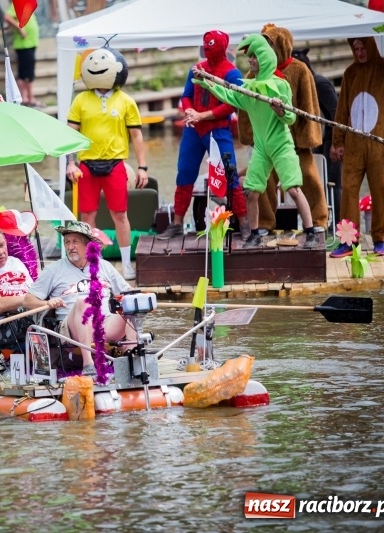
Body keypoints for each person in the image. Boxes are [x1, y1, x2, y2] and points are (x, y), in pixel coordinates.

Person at [193, 34, 321, 249]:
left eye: (254, 56)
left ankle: (310, 232)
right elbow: (230, 96)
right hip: (261, 147)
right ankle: (254, 234)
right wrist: (206, 83)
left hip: (281, 144)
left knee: (293, 189)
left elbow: (291, 117)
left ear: (265, 58)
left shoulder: (280, 86)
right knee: (251, 192)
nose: (250, 60)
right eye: (249, 57)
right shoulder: (249, 88)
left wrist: (280, 110)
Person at [66, 47, 149, 280]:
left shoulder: (126, 101)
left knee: (120, 214)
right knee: (87, 216)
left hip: (115, 164)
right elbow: (70, 134)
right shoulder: (80, 100)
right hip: (87, 166)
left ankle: (126, 263)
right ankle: (92, 264)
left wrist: (142, 167)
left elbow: (137, 136)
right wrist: (70, 163)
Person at [158, 30, 249, 241]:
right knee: (185, 173)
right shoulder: (197, 69)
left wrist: (202, 115)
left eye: (211, 44)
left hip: (217, 130)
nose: (207, 48)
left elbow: (232, 104)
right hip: (194, 129)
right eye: (206, 44)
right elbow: (187, 95)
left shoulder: (232, 73)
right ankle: (177, 223)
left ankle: (244, 223)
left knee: (230, 174)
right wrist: (190, 112)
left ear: (222, 47)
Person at [238, 25, 327, 238]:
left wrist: (308, 135)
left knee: (307, 178)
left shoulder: (299, 69)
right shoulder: (254, 73)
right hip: (267, 140)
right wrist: (250, 135)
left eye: (271, 45)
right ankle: (264, 223)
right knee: (263, 183)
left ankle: (317, 222)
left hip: (295, 140)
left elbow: (309, 104)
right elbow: (245, 109)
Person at [22, 221, 135, 376]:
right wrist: (47, 303)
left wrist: (137, 298)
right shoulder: (53, 270)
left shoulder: (105, 266)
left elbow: (127, 292)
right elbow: (27, 301)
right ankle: (88, 364)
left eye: (75, 242)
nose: (70, 247)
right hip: (69, 329)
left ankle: (133, 357)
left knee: (132, 304)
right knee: (83, 301)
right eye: (67, 242)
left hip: (105, 324)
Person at [329, 37, 384, 258]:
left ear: (370, 47)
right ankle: (348, 240)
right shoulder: (350, 73)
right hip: (353, 144)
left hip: (378, 144)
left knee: (380, 189)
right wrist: (338, 141)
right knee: (349, 191)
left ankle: (380, 238)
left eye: (363, 48)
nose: (360, 52)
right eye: (356, 48)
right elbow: (342, 109)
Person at [292, 48, 342, 224]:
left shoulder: (319, 83)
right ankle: (324, 222)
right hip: (318, 140)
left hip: (332, 139)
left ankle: (337, 225)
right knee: (320, 183)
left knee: (333, 184)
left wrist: (336, 143)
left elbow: (337, 113)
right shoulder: (305, 85)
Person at [4, 3, 41, 107]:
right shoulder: (18, 3)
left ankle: (25, 98)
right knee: (27, 73)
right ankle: (29, 98)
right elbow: (7, 16)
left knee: (25, 72)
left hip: (29, 44)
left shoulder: (26, 3)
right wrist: (20, 28)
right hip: (25, 45)